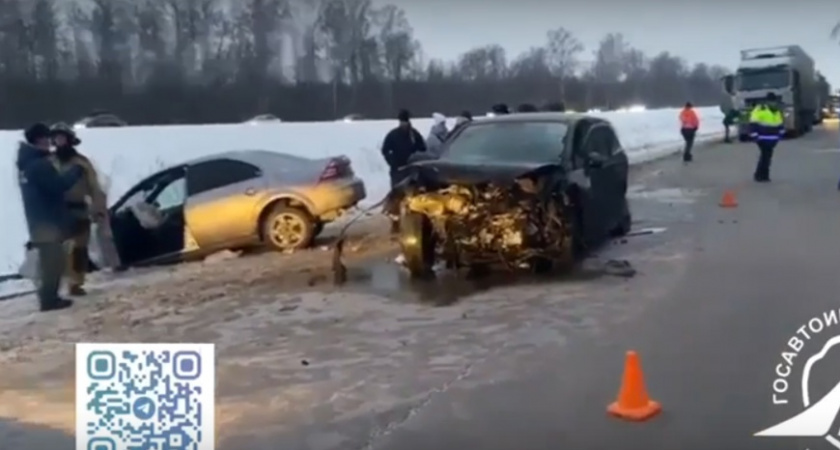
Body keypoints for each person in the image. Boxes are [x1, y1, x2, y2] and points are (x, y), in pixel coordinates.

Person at [17, 123, 84, 312]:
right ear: (40, 139)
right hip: (46, 222)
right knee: (53, 263)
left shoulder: (27, 163)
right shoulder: (38, 165)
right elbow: (57, 186)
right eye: (47, 138)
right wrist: (74, 173)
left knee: (52, 262)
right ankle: (48, 300)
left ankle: (49, 297)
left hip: (39, 220)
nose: (51, 142)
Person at [51, 122, 107, 296]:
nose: (59, 141)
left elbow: (94, 187)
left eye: (62, 137)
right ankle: (59, 282)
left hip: (79, 210)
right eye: (56, 138)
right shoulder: (49, 162)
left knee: (79, 249)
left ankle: (76, 283)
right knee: (60, 249)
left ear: (69, 139)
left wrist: (99, 209)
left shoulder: (81, 163)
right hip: (58, 211)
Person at [381, 109, 426, 232]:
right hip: (397, 171)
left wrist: (417, 161)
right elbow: (385, 150)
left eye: (405, 121)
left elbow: (423, 149)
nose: (403, 124)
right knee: (396, 197)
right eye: (402, 121)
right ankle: (395, 223)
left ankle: (413, 222)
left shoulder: (414, 135)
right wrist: (392, 162)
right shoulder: (393, 135)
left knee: (413, 196)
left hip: (412, 170)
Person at [748, 93, 784, 182]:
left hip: (772, 139)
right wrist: (755, 136)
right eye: (771, 102)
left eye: (774, 102)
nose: (773, 103)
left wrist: (779, 136)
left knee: (767, 157)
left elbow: (780, 125)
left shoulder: (777, 111)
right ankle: (760, 175)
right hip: (762, 138)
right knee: (765, 156)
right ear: (767, 101)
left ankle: (763, 175)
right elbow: (753, 124)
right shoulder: (760, 110)